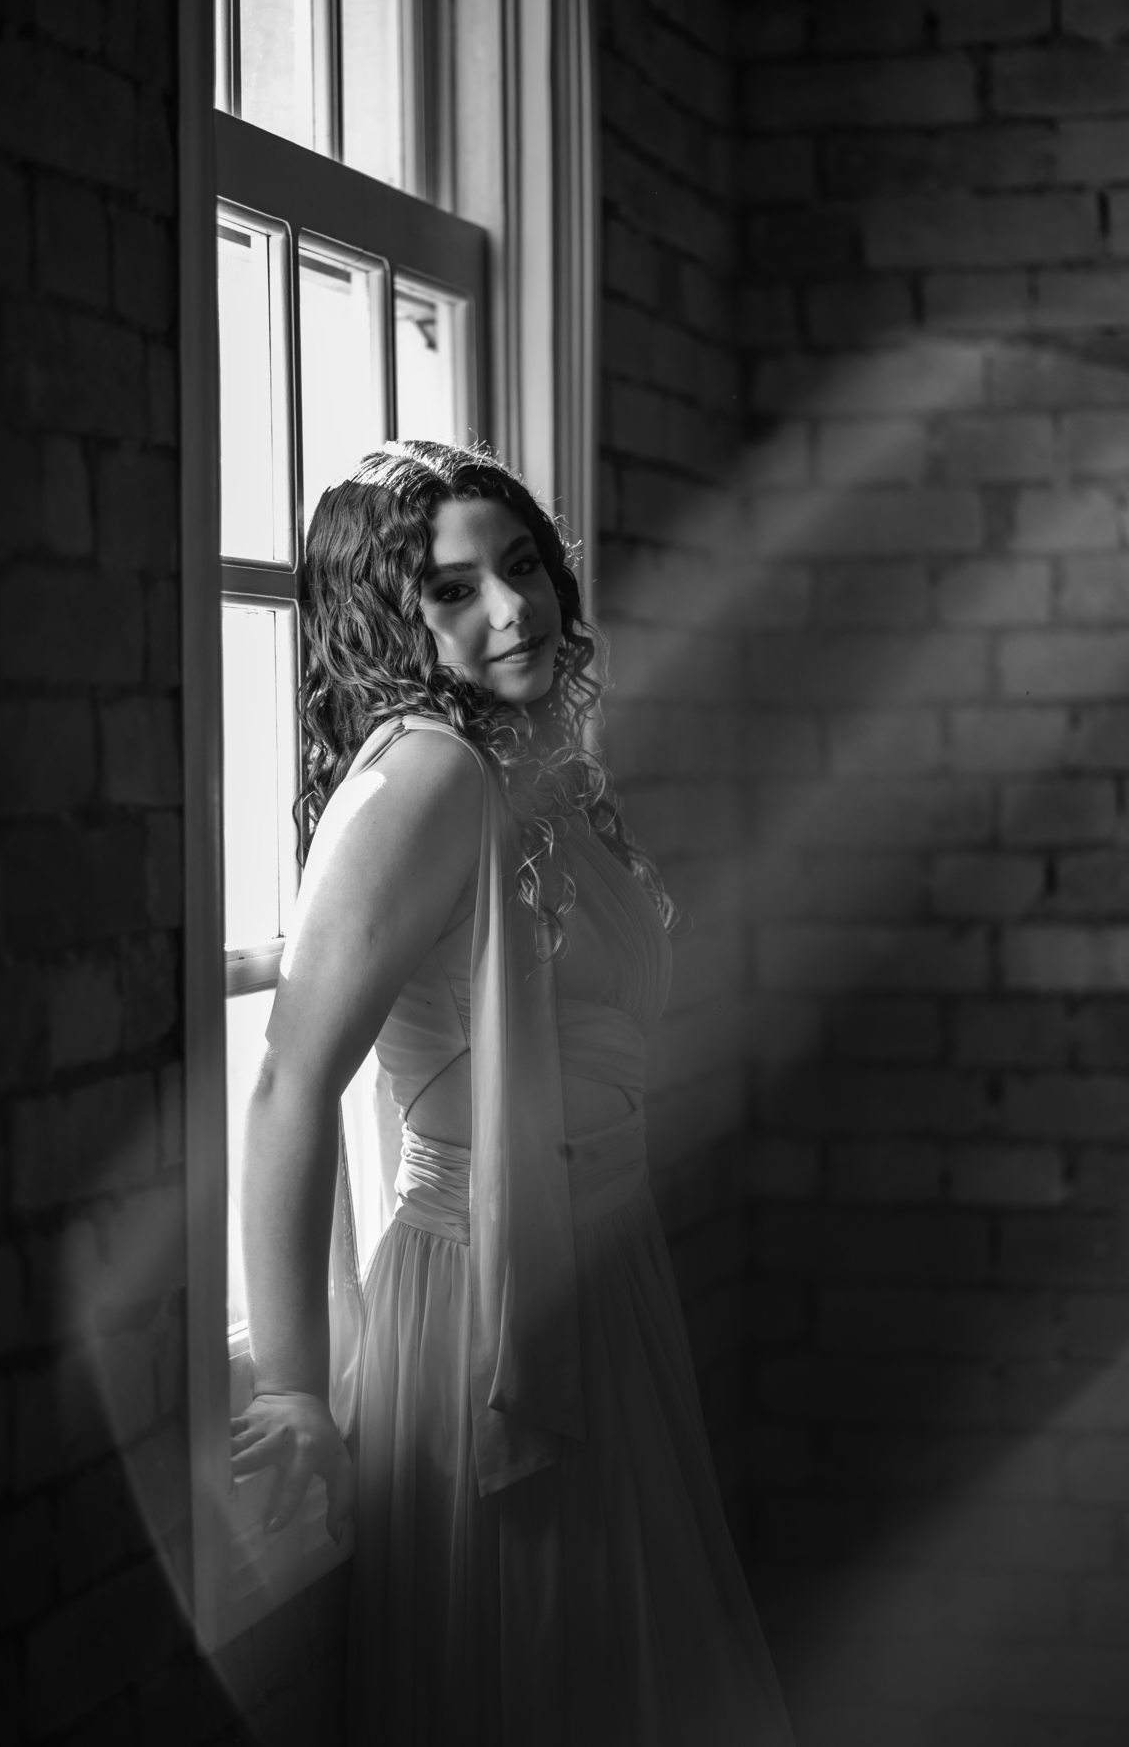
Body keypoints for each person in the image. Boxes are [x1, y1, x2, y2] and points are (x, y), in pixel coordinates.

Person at [228, 441, 794, 1746]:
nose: (513, 608)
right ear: (390, 619)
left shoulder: (532, 762)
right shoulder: (425, 774)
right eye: (452, 589)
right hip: (485, 1310)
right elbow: (290, 1085)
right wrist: (295, 1390)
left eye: (523, 564)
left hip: (604, 1266)